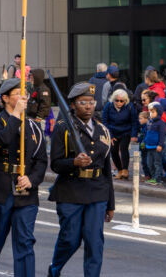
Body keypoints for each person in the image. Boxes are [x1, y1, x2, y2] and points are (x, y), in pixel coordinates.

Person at [0, 78, 47, 277]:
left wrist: (32, 180)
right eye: (17, 93)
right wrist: (16, 115)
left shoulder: (32, 126)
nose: (22, 97)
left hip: (25, 193)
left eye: (24, 93)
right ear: (5, 98)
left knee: (25, 242)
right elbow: (1, 139)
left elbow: (41, 160)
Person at [47, 82, 115, 277]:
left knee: (95, 242)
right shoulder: (63, 128)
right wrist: (74, 162)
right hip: (71, 190)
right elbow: (56, 164)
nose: (88, 106)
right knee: (70, 239)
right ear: (73, 104)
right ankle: (54, 270)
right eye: (83, 102)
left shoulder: (102, 130)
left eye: (91, 102)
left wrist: (111, 203)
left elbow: (106, 170)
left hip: (97, 192)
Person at [101, 89, 138, 180]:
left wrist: (134, 135)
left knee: (123, 148)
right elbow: (105, 121)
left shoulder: (129, 107)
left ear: (125, 101)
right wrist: (110, 135)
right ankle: (119, 170)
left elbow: (134, 122)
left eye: (121, 101)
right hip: (112, 131)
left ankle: (125, 170)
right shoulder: (108, 106)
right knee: (113, 151)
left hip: (126, 131)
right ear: (113, 99)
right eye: (116, 100)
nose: (119, 103)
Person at [144, 102, 166, 185]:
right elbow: (147, 133)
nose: (151, 114)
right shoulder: (149, 122)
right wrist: (144, 142)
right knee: (149, 163)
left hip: (156, 147)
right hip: (149, 146)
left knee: (157, 163)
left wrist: (160, 144)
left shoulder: (161, 123)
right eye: (150, 112)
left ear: (158, 113)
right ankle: (153, 177)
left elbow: (162, 135)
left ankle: (157, 179)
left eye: (153, 112)